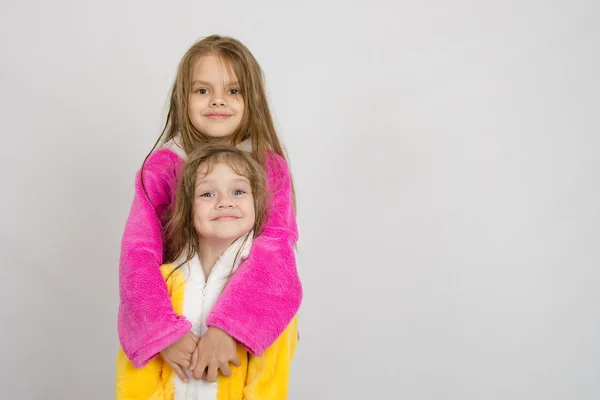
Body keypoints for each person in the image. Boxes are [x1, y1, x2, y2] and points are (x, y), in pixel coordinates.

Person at [118, 35, 301, 382]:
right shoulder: (162, 168)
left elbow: (276, 249)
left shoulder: (269, 167)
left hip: (239, 342)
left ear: (253, 99)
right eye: (202, 90)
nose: (218, 101)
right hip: (178, 328)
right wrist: (162, 332)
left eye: (234, 91)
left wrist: (231, 329)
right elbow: (138, 252)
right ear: (182, 98)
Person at [117, 145, 298, 399]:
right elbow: (137, 378)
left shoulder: (268, 297)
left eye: (238, 191)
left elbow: (269, 382)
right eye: (207, 194)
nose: (225, 202)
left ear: (257, 205)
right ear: (188, 211)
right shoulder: (163, 285)